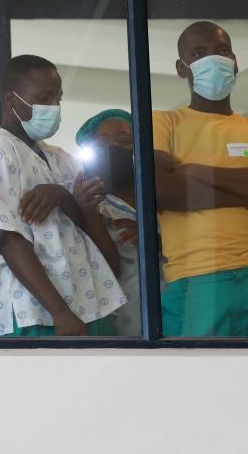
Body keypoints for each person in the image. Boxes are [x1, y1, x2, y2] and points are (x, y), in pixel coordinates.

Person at [153, 21, 248, 337]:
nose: (213, 59)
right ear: (182, 68)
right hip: (196, 279)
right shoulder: (163, 122)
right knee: (202, 384)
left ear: (235, 62)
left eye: (222, 51)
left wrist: (197, 172)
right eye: (199, 53)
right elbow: (162, 191)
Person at [0, 55, 125, 337]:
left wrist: (64, 196)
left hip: (87, 306)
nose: (53, 107)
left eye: (57, 98)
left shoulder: (58, 158)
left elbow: (96, 240)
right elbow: (11, 240)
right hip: (35, 314)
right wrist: (60, 313)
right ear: (11, 101)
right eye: (43, 98)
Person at [75, 109, 145, 337]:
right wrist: (88, 212)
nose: (113, 147)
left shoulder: (159, 198)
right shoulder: (92, 205)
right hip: (119, 315)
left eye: (124, 141)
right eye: (102, 143)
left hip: (172, 309)